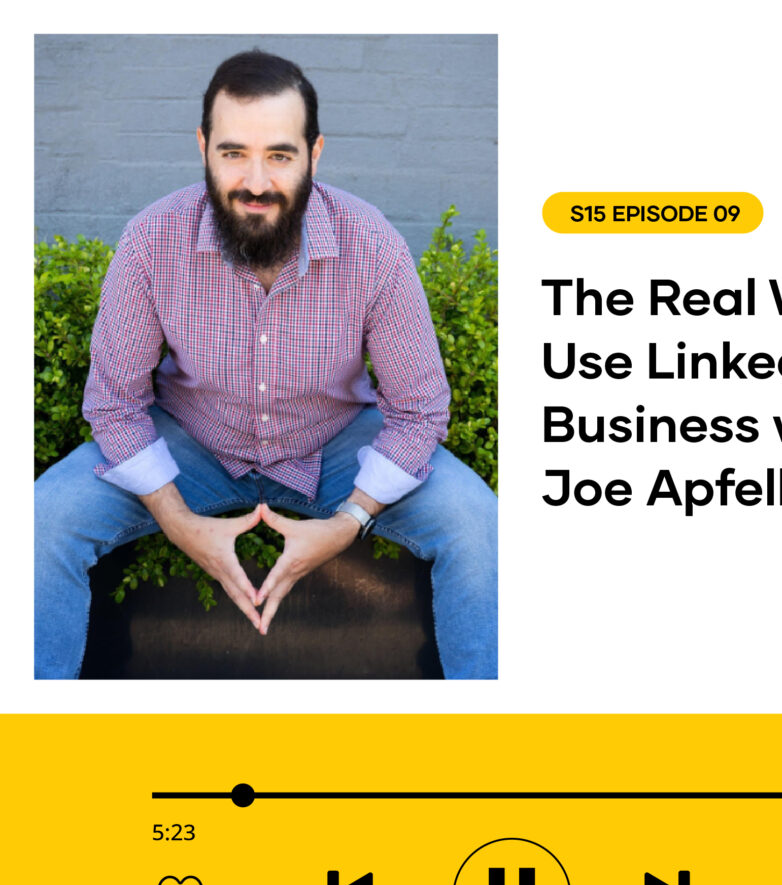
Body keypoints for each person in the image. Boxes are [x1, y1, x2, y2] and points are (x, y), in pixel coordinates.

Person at [34, 50, 497, 680]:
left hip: (336, 443)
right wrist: (176, 520)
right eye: (233, 153)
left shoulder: (372, 245)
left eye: (280, 155)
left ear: (314, 154)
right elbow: (115, 403)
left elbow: (419, 410)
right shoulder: (151, 240)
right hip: (193, 442)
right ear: (204, 148)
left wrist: (350, 520)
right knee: (42, 522)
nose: (256, 182)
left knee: (477, 526)